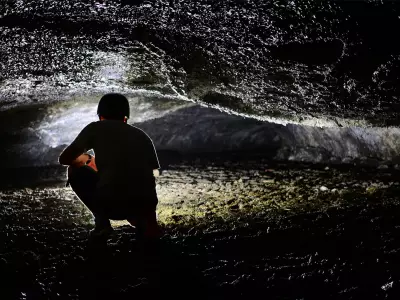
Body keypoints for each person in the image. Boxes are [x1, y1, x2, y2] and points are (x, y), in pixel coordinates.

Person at [59, 93, 161, 240]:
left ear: (100, 115)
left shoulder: (94, 128)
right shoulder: (142, 136)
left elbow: (65, 159)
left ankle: (102, 223)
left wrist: (87, 159)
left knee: (74, 170)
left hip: (111, 205)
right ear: (126, 117)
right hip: (141, 207)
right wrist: (150, 220)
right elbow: (151, 175)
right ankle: (144, 223)